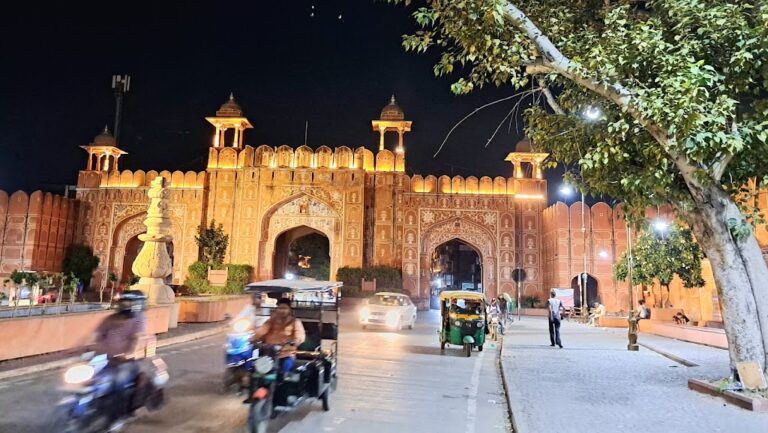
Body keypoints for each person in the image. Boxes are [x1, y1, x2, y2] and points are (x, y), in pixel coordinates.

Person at [89, 290, 148, 421]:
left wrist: (128, 354)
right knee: (88, 381)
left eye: (127, 302)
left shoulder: (139, 321)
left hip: (126, 363)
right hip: (106, 359)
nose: (123, 305)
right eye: (122, 302)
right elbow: (95, 336)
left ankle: (116, 418)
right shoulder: (110, 319)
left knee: (117, 383)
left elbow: (137, 339)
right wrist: (81, 348)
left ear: (136, 304)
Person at [251, 298, 306, 374]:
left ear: (290, 310)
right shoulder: (271, 320)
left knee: (285, 369)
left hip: (286, 354)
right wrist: (253, 338)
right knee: (255, 371)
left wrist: (295, 341)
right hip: (268, 354)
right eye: (280, 308)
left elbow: (300, 335)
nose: (282, 311)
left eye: (285, 308)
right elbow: (262, 330)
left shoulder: (295, 322)